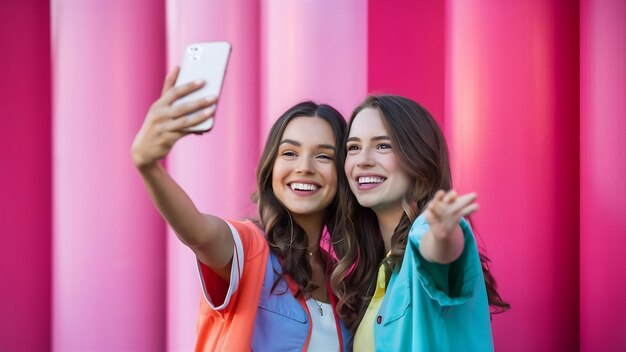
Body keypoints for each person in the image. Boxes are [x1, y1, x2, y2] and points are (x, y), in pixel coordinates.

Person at [131, 67, 353, 351]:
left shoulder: (341, 279)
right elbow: (199, 233)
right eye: (289, 153)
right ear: (271, 168)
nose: (304, 167)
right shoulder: (250, 247)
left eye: (323, 156)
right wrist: (149, 167)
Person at [331, 95, 510, 351]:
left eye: (383, 146)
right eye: (353, 147)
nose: (363, 160)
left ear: (419, 164)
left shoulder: (426, 230)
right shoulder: (378, 269)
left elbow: (438, 254)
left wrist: (442, 237)